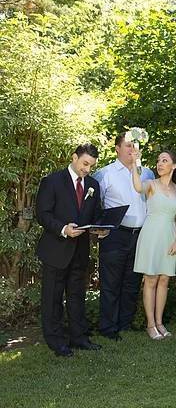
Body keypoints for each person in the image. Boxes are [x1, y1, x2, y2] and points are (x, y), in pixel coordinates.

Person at [35, 144, 107, 357]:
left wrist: (100, 229)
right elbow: (43, 214)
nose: (87, 169)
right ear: (74, 157)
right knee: (53, 299)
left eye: (91, 166)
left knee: (77, 296)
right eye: (85, 164)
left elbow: (96, 214)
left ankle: (79, 338)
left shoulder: (93, 185)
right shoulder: (52, 181)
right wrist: (63, 229)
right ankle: (56, 342)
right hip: (56, 250)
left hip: (80, 251)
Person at [94, 133, 155, 341]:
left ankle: (125, 323)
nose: (132, 150)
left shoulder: (147, 173)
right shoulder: (105, 174)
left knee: (132, 281)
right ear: (117, 149)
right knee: (111, 283)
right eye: (128, 146)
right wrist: (99, 227)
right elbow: (95, 206)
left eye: (135, 146)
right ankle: (108, 327)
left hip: (141, 235)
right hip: (115, 234)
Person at [131, 150, 176, 340]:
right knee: (151, 279)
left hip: (170, 236)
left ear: (174, 165)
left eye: (165, 160)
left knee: (164, 280)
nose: (160, 164)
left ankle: (160, 323)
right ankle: (150, 324)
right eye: (158, 161)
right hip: (151, 235)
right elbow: (137, 187)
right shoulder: (151, 185)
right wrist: (134, 162)